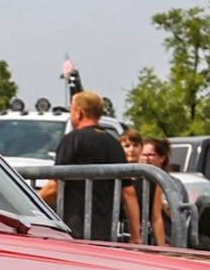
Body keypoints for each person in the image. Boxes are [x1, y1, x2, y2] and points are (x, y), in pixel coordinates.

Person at [38, 90, 140, 241]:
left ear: (79, 112)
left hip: (74, 231)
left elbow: (55, 186)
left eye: (71, 110)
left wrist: (28, 204)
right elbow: (128, 193)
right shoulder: (114, 143)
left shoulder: (72, 140)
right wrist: (136, 236)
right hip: (105, 232)